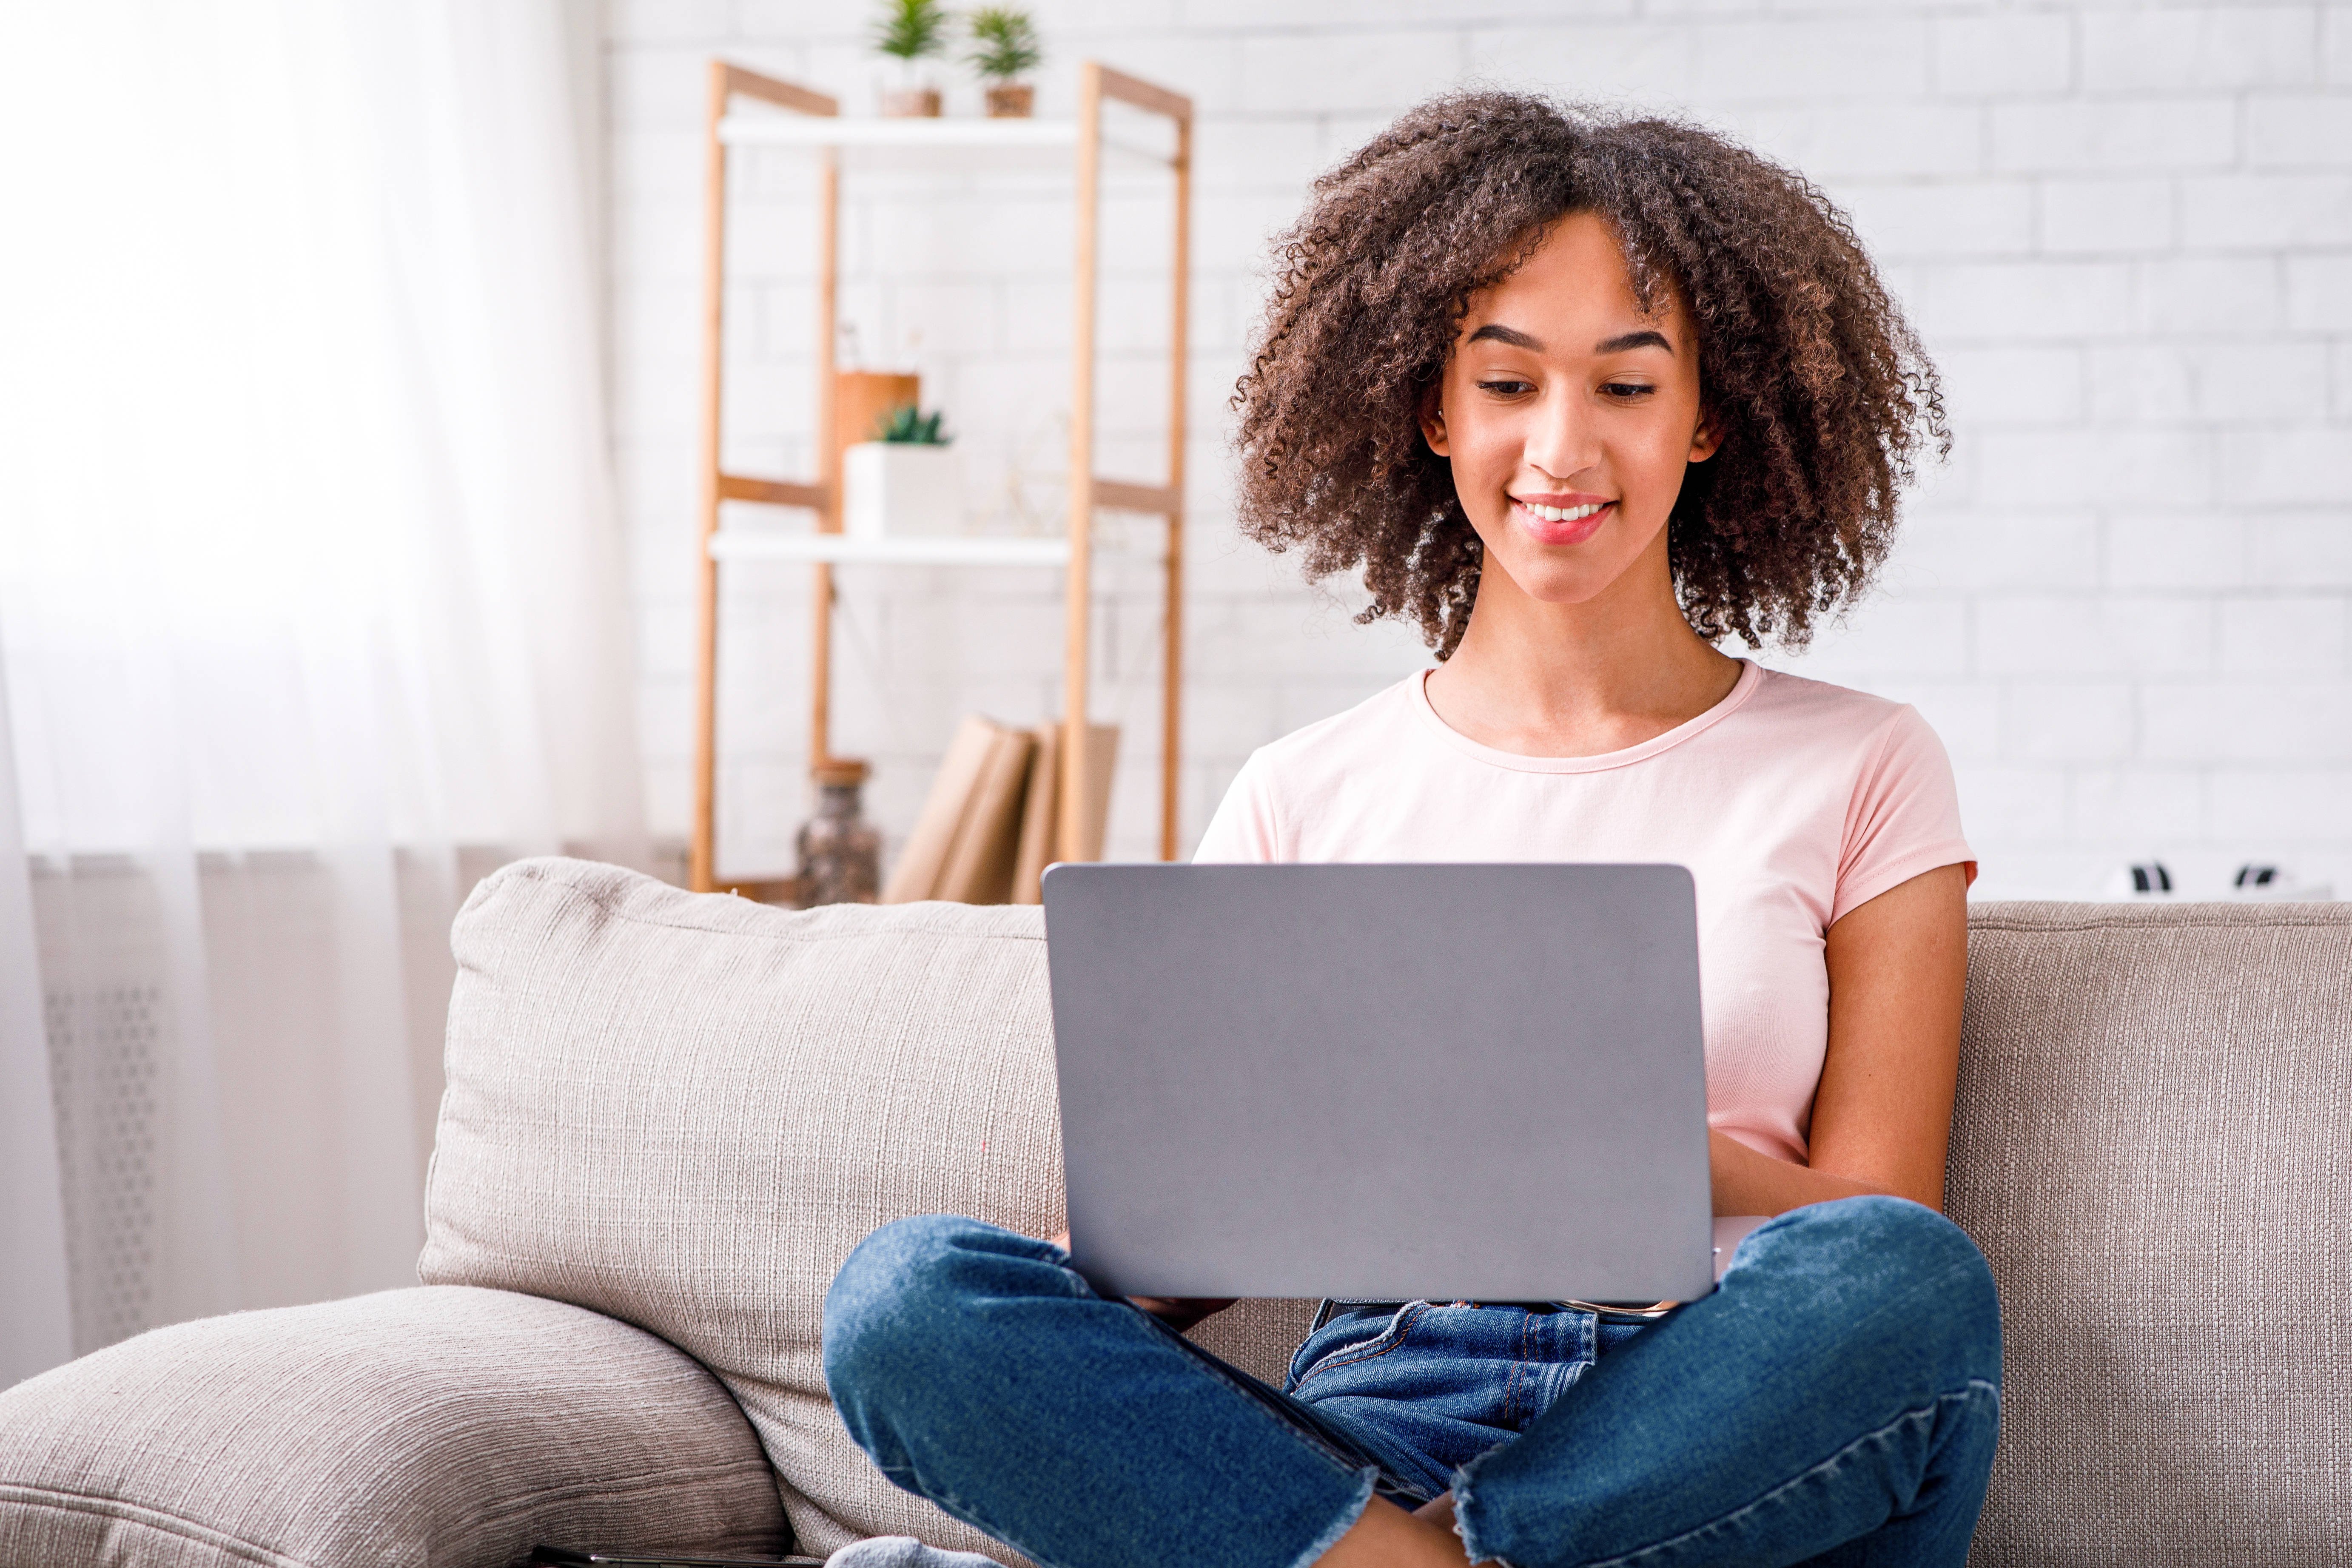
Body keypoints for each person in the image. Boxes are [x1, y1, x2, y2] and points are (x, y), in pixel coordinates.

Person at [822, 92, 2001, 1568]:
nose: (1559, 447)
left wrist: (1632, 1147)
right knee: (907, 1295)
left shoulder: (1862, 762)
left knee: (1906, 1281)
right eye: (1507, 384)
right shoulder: (1300, 790)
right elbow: (1169, 1264)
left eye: (1625, 390)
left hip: (1701, 1425)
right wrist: (1095, 1282)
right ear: (1435, 408)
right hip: (1380, 1418)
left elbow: (1879, 1225)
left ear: (1708, 417)